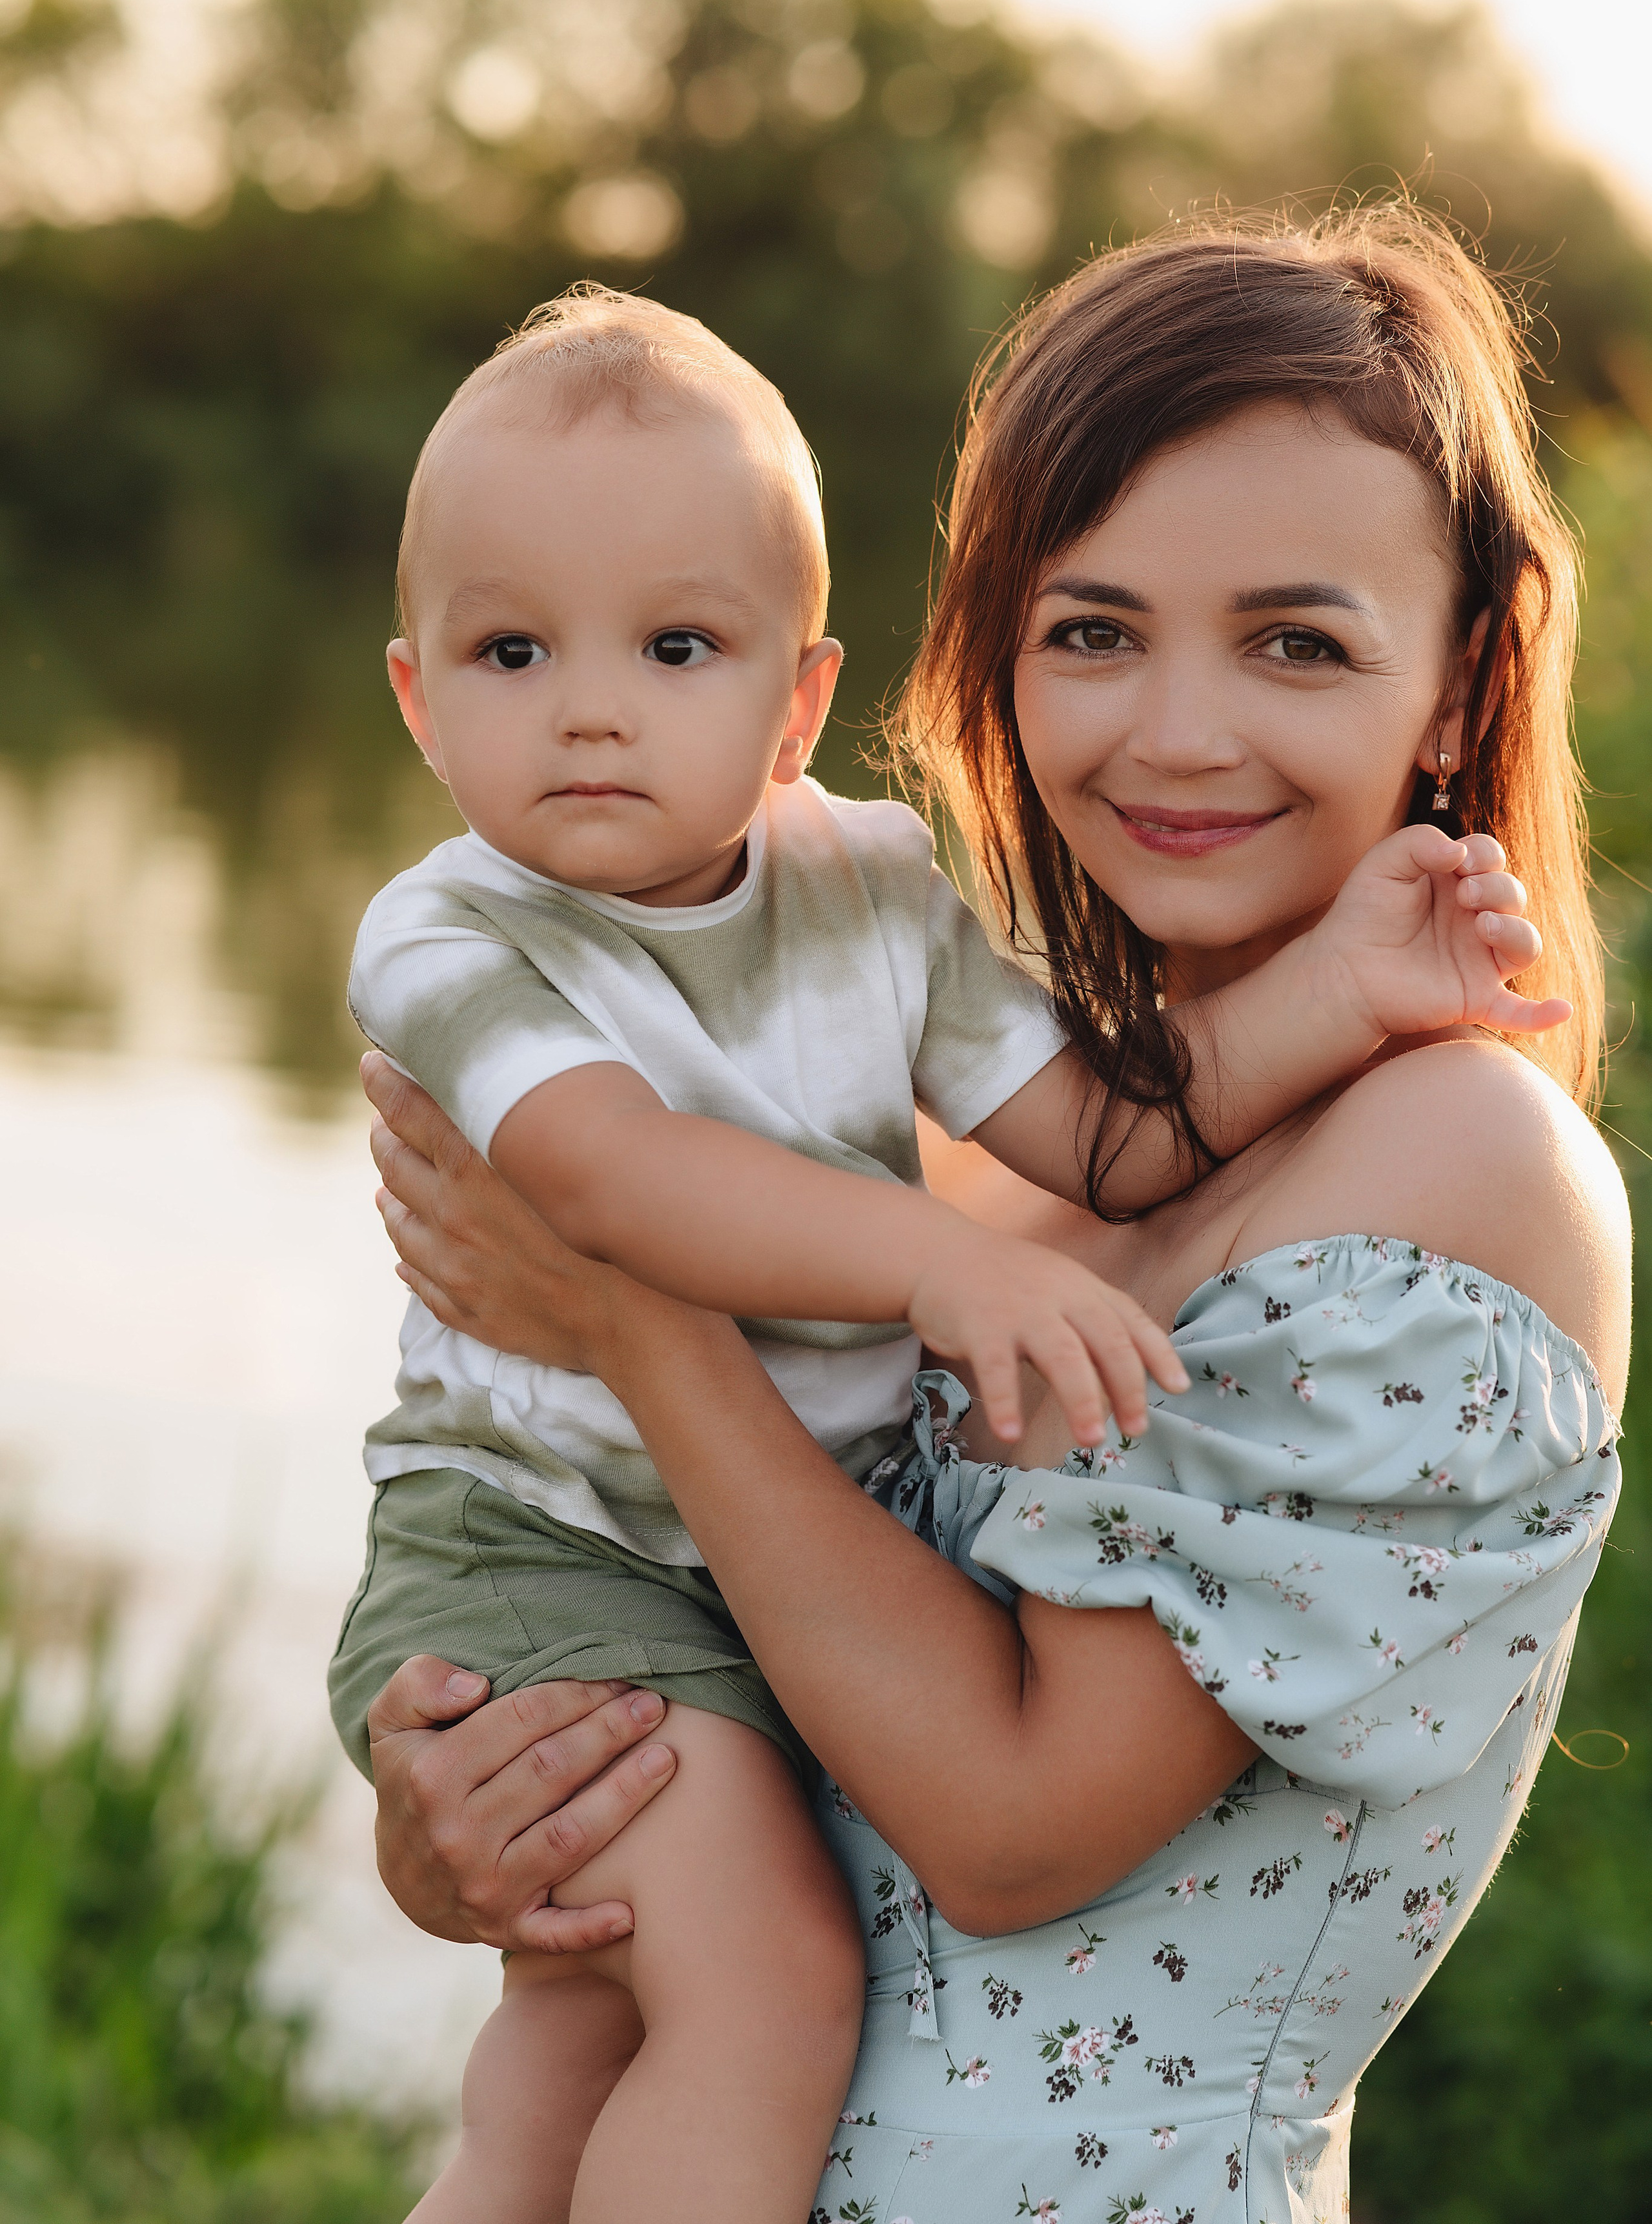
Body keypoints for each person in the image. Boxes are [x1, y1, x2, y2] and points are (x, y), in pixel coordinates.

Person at [348, 209, 1629, 2223]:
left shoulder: (1456, 1156)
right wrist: (490, 1818)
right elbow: (718, 1625)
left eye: (1295, 641)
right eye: (1094, 630)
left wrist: (638, 1325)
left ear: (1463, 679)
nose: (1178, 732)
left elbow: (1013, 1834)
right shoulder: (953, 1141)